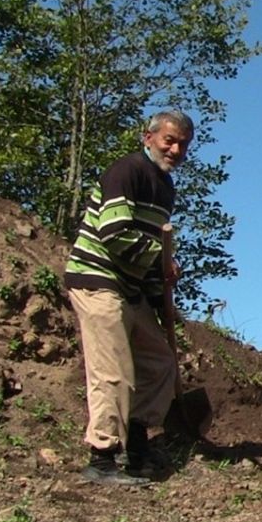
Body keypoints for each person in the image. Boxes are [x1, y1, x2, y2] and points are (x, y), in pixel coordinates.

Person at [64, 109, 194, 485]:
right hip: (98, 279)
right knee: (114, 371)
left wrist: (159, 291)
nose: (175, 149)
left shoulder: (165, 187)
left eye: (182, 144)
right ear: (148, 137)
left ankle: (138, 444)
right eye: (169, 140)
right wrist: (162, 260)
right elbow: (115, 232)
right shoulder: (127, 171)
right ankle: (102, 459)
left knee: (159, 362)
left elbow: (151, 247)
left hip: (131, 288)